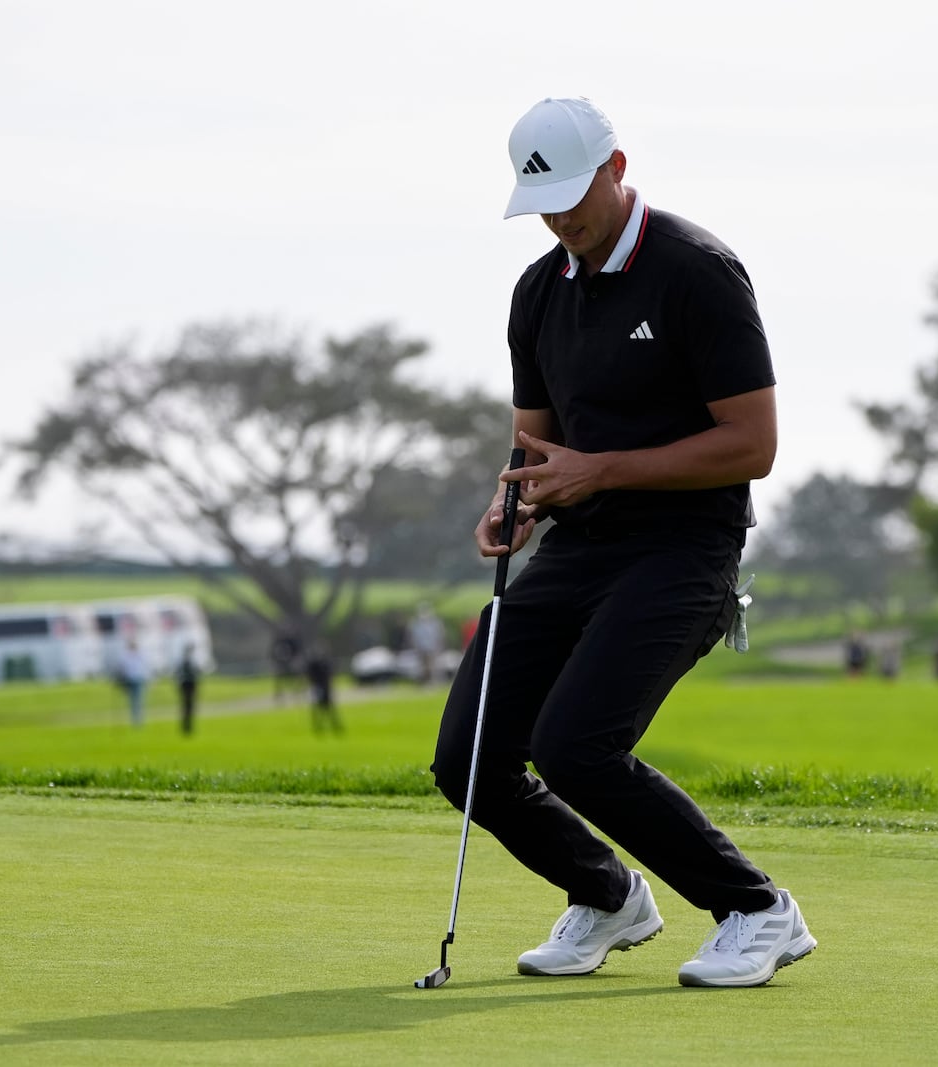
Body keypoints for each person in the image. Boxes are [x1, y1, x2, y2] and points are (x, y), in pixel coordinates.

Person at [429, 97, 816, 990]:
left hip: (685, 548)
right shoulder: (537, 291)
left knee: (576, 745)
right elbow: (536, 439)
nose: (562, 217)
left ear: (617, 167)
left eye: (573, 193)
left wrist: (597, 471)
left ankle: (757, 909)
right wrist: (513, 501)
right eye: (544, 203)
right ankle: (606, 895)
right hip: (579, 542)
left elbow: (752, 444)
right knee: (469, 755)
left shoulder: (697, 271)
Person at [406, 603, 446, 685]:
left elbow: (439, 635)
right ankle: (424, 681)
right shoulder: (416, 624)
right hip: (422, 648)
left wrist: (438, 646)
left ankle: (433, 681)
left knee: (433, 665)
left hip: (432, 647)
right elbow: (414, 637)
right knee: (423, 666)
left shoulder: (435, 623)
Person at [305, 644, 341, 734]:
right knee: (319, 709)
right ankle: (319, 726)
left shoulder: (323, 663)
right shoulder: (315, 664)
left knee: (328, 709)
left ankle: (332, 725)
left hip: (324, 687)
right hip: (318, 687)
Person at [118, 639, 148, 728]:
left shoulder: (140, 655)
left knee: (138, 700)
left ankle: (138, 720)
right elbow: (122, 668)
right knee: (134, 700)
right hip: (130, 680)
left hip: (138, 679)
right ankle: (135, 720)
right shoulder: (126, 656)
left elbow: (144, 668)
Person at [175, 645, 200, 735]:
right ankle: (186, 726)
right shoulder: (184, 661)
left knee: (190, 706)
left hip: (191, 684)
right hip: (186, 684)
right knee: (186, 705)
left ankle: (189, 726)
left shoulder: (192, 661)